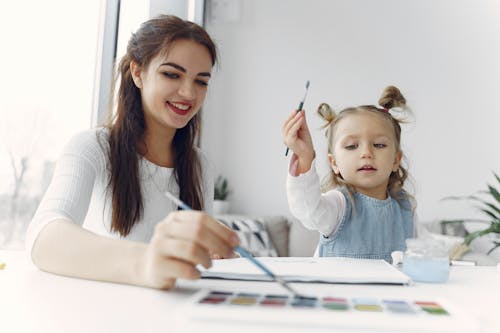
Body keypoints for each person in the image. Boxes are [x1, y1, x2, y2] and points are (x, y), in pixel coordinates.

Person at [26, 15, 240, 289]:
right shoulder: (92, 148)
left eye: (201, 81)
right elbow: (43, 238)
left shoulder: (199, 165)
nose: (188, 93)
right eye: (172, 74)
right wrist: (147, 262)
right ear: (138, 73)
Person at [282, 86, 416, 263]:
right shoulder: (338, 206)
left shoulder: (406, 207)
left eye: (379, 145)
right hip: (336, 291)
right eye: (352, 146)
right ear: (334, 163)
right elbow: (308, 210)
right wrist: (305, 157)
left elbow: (423, 248)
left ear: (395, 160)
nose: (366, 153)